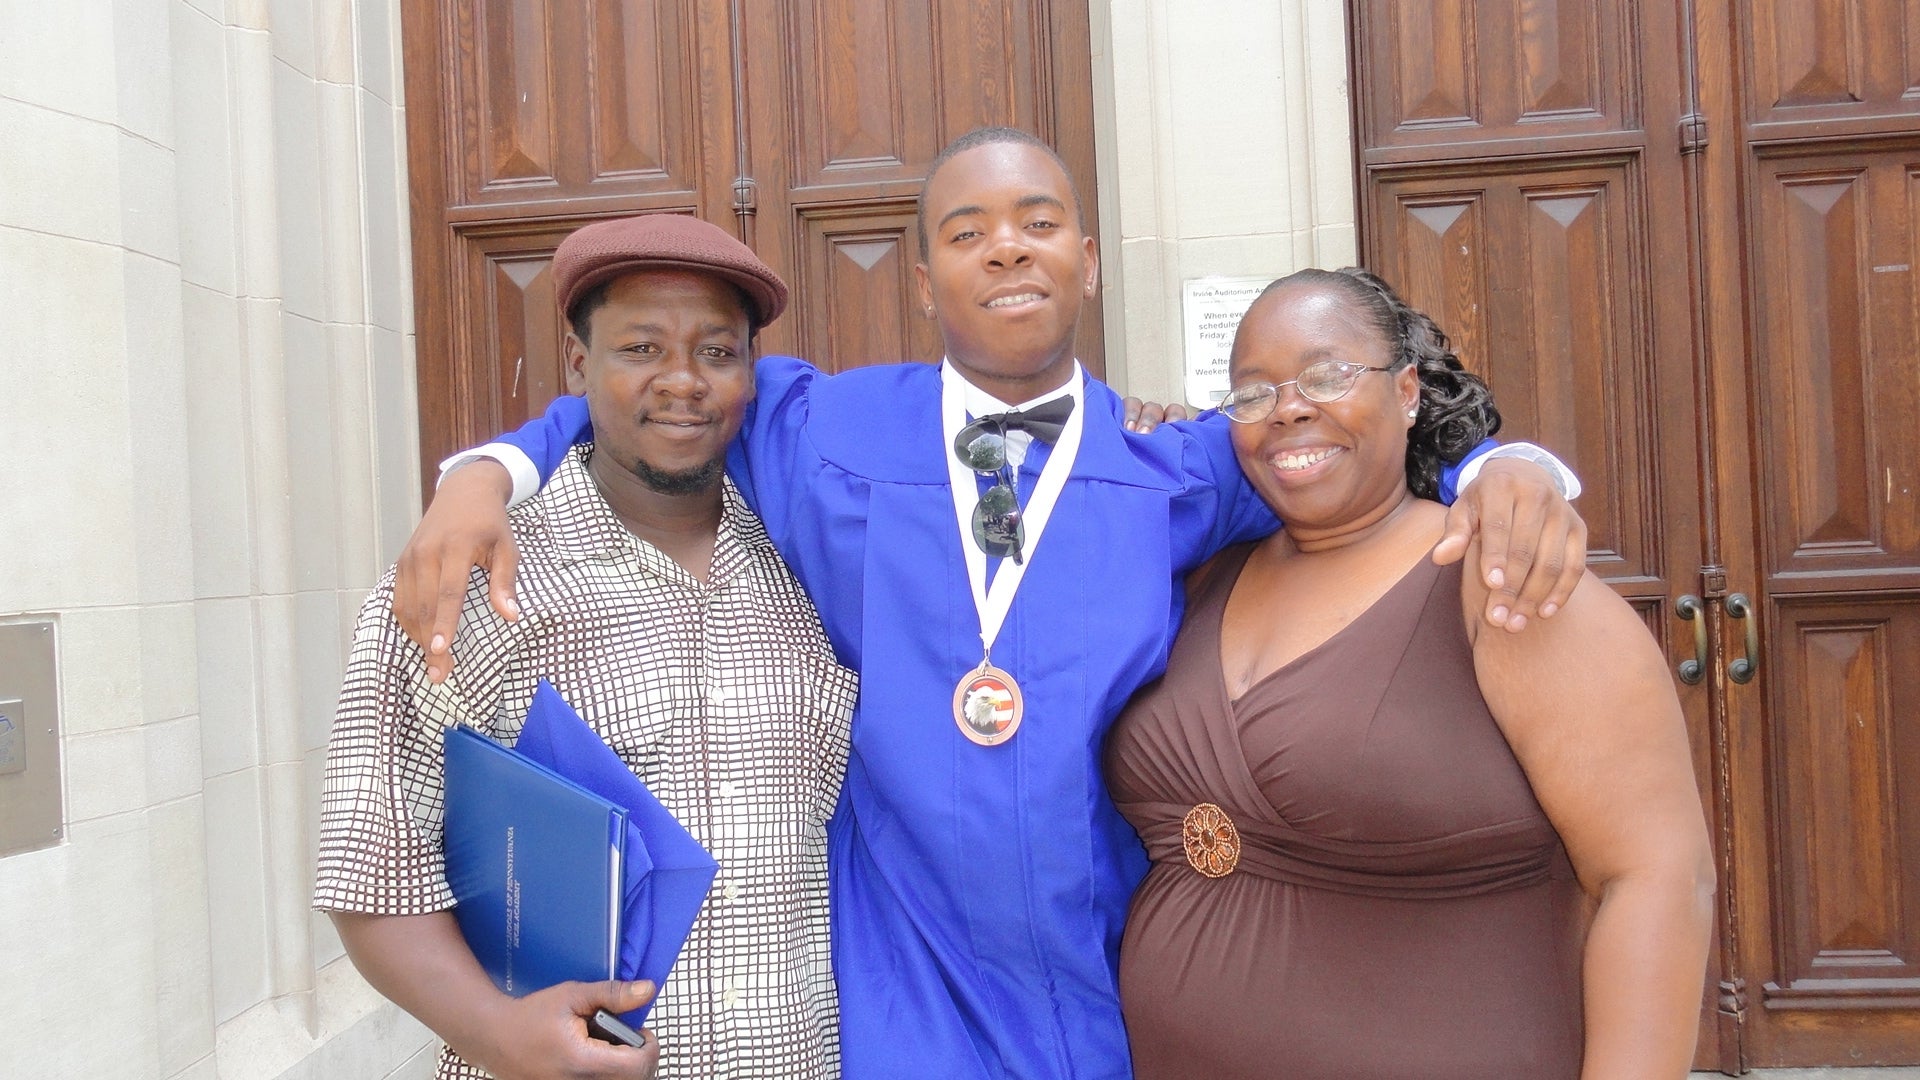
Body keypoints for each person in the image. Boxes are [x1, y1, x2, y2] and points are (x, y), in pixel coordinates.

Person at [395, 128, 1591, 1078]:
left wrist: (1503, 468)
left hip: (1108, 960)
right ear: (924, 279)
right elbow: (650, 387)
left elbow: (1350, 432)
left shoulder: (1181, 467)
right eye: (967, 232)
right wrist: (485, 474)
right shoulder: (817, 429)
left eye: (1039, 224)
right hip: (902, 974)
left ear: (1088, 259)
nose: (1007, 250)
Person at [1104, 268, 1715, 1079]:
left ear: (1406, 393)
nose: (1289, 408)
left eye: (1327, 376)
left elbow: (1657, 878)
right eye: (1252, 394)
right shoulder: (1201, 578)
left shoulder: (1503, 580)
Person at [313, 214, 858, 1080]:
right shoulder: (473, 579)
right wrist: (497, 1035)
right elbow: (375, 874)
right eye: (640, 348)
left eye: (718, 353)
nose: (682, 381)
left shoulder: (817, 568)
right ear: (578, 365)